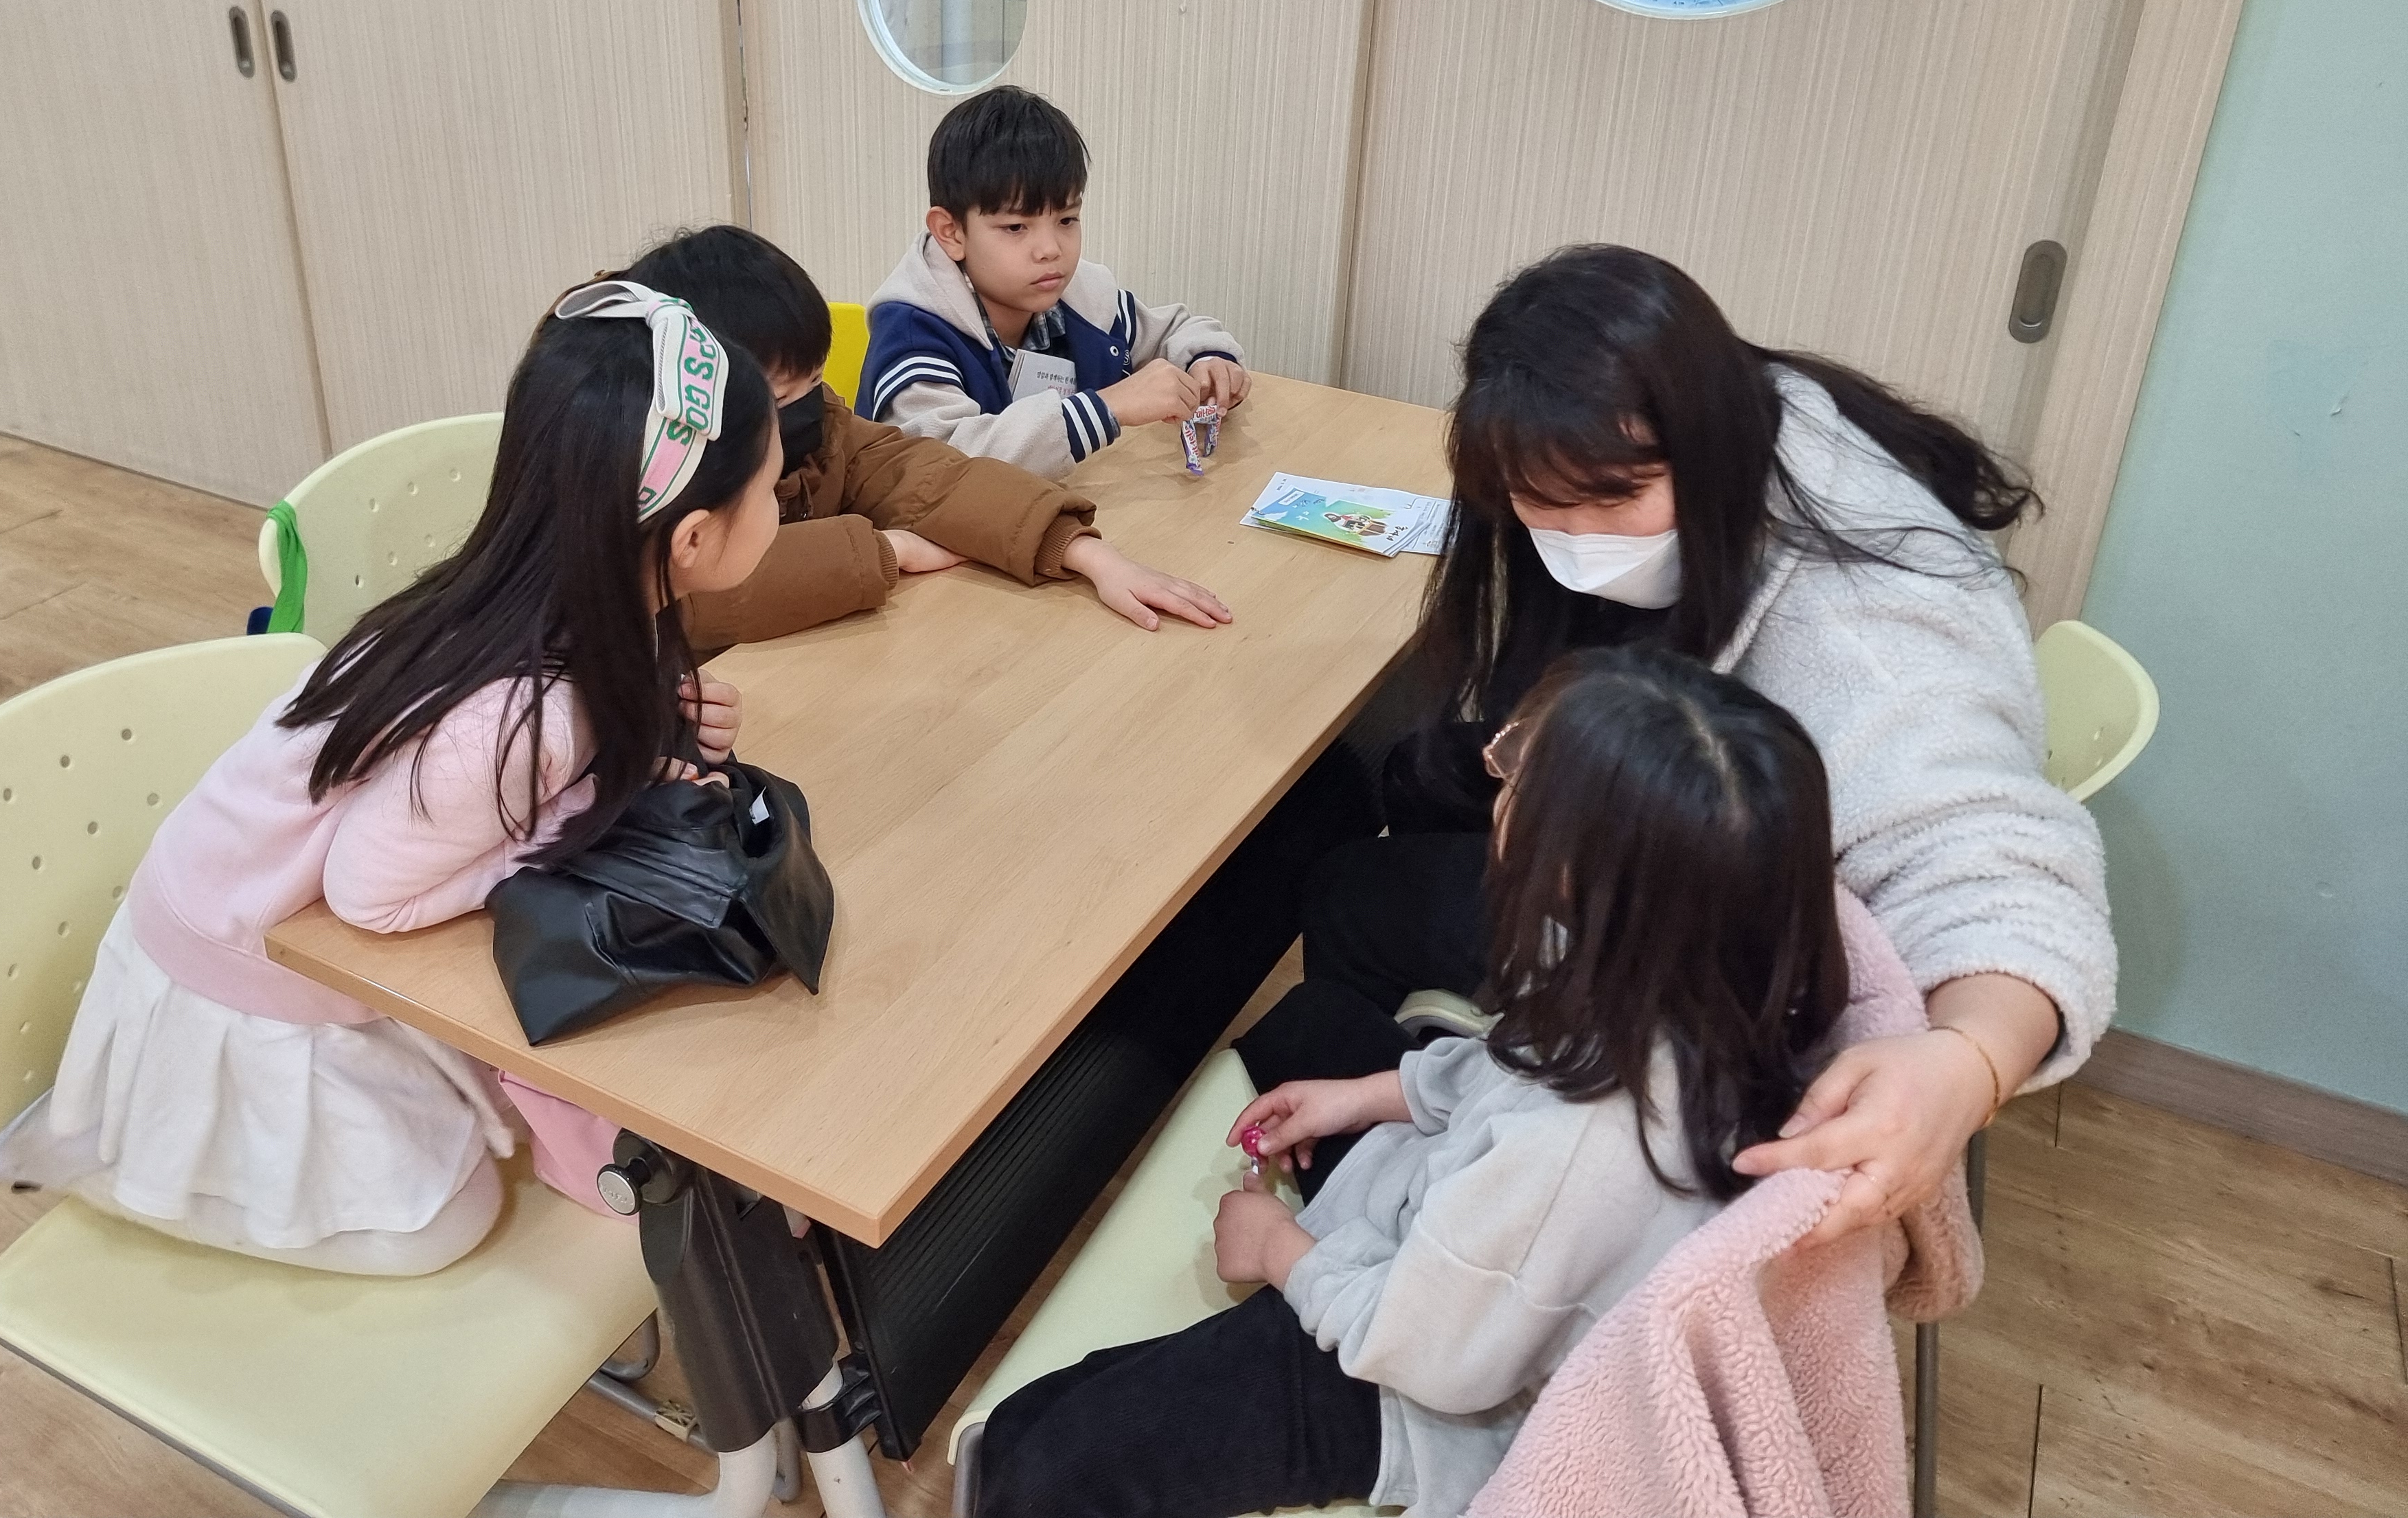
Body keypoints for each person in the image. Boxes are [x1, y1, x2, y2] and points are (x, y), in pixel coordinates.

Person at [1304, 244, 2114, 1248]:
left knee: (1352, 891)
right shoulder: (1757, 405)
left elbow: (1993, 868)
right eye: (1539, 501)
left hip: (1723, 974)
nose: (1575, 536)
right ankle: (1427, 1096)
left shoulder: (1867, 641)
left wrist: (1968, 1060)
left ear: (1705, 442)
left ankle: (1398, 1160)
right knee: (1419, 774)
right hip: (1689, 841)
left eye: (1613, 498)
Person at [0, 282, 785, 1274]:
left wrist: (645, 739)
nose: (781, 506)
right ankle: (117, 1162)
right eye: (772, 491)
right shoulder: (521, 716)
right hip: (238, 991)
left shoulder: (550, 605)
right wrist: (565, 818)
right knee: (442, 1221)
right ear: (692, 539)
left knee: (521, 1108)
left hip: (280, 930)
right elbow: (368, 894)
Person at [977, 647, 1855, 1518]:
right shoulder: (1680, 969)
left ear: (1580, 870)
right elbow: (1512, 1063)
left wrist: (1279, 1250)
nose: (1497, 782)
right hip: (1453, 1236)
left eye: (1520, 775)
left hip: (1414, 1392)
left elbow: (1431, 1355)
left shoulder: (1578, 1151)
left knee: (1040, 1453)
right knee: (1313, 1023)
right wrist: (1368, 1095)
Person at [621, 224, 1230, 643]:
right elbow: (695, 596)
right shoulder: (644, 486)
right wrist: (889, 550)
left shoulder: (823, 429)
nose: (805, 407)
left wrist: (1083, 552)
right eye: (780, 399)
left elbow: (929, 477)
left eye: (814, 381)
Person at [858, 85, 1250, 478]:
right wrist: (1108, 407)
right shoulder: (915, 335)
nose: (1050, 250)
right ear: (952, 233)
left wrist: (1208, 360)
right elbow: (942, 466)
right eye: (1016, 227)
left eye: (1067, 220)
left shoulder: (1080, 298)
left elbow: (1175, 330)